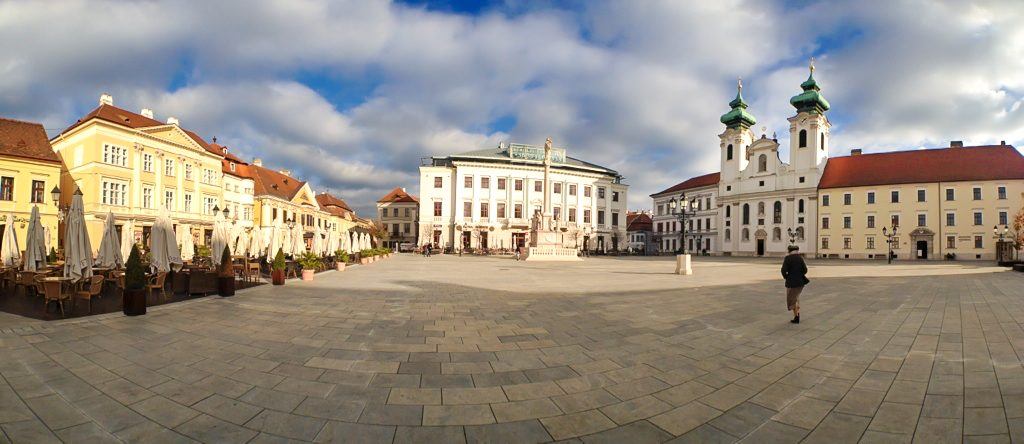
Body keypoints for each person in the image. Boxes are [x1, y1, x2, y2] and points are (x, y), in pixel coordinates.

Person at [780, 244, 809, 324]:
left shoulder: (788, 258)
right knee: (796, 298)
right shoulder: (800, 258)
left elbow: (783, 270)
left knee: (791, 300)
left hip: (791, 283)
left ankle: (796, 317)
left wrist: (787, 277)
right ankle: (797, 314)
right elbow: (805, 270)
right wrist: (799, 274)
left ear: (789, 251)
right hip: (800, 282)